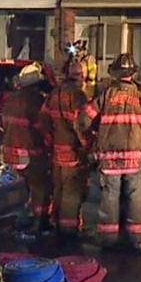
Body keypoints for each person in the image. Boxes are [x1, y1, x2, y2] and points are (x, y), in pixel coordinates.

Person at [75, 53, 141, 251]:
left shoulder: (105, 96)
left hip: (109, 158)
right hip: (135, 158)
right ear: (133, 74)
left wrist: (92, 136)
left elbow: (83, 120)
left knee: (109, 196)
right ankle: (136, 239)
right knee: (136, 196)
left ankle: (108, 238)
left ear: (115, 74)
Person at [40, 60, 91, 237]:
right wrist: (87, 147)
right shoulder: (78, 96)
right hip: (73, 151)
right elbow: (83, 124)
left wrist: (50, 141)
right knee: (72, 190)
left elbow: (43, 120)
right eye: (82, 75)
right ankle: (68, 229)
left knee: (58, 188)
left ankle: (57, 223)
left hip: (56, 151)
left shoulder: (54, 93)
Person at [1, 62, 52, 232]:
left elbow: (3, 124)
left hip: (9, 153)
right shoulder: (36, 101)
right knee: (38, 188)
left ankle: (14, 220)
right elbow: (42, 128)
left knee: (16, 188)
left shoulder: (10, 99)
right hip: (30, 153)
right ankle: (38, 222)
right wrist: (50, 146)